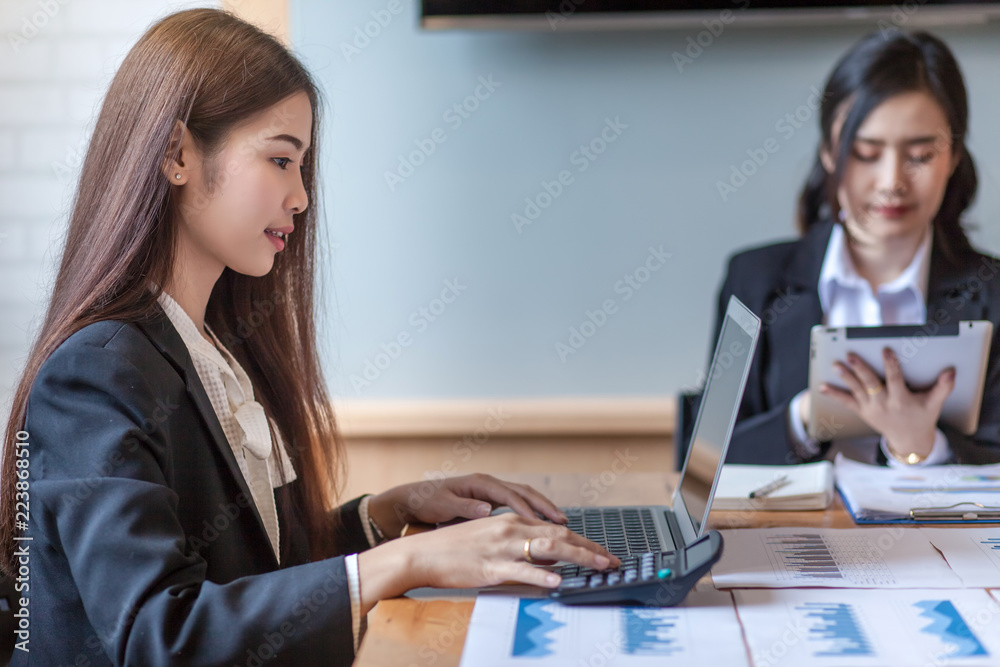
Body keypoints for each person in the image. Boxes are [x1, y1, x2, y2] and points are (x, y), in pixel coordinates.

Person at [0, 9, 618, 665]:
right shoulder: (96, 371)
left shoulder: (216, 351)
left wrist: (387, 512)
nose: (299, 196)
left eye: (302, 166)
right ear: (177, 154)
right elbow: (161, 635)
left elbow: (260, 570)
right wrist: (407, 558)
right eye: (279, 159)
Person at [706, 30, 1000, 467]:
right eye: (866, 152)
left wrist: (920, 446)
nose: (891, 182)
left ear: (954, 157)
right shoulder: (755, 279)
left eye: (919, 155)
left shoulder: (991, 291)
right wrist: (805, 419)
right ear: (829, 151)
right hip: (783, 534)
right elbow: (708, 460)